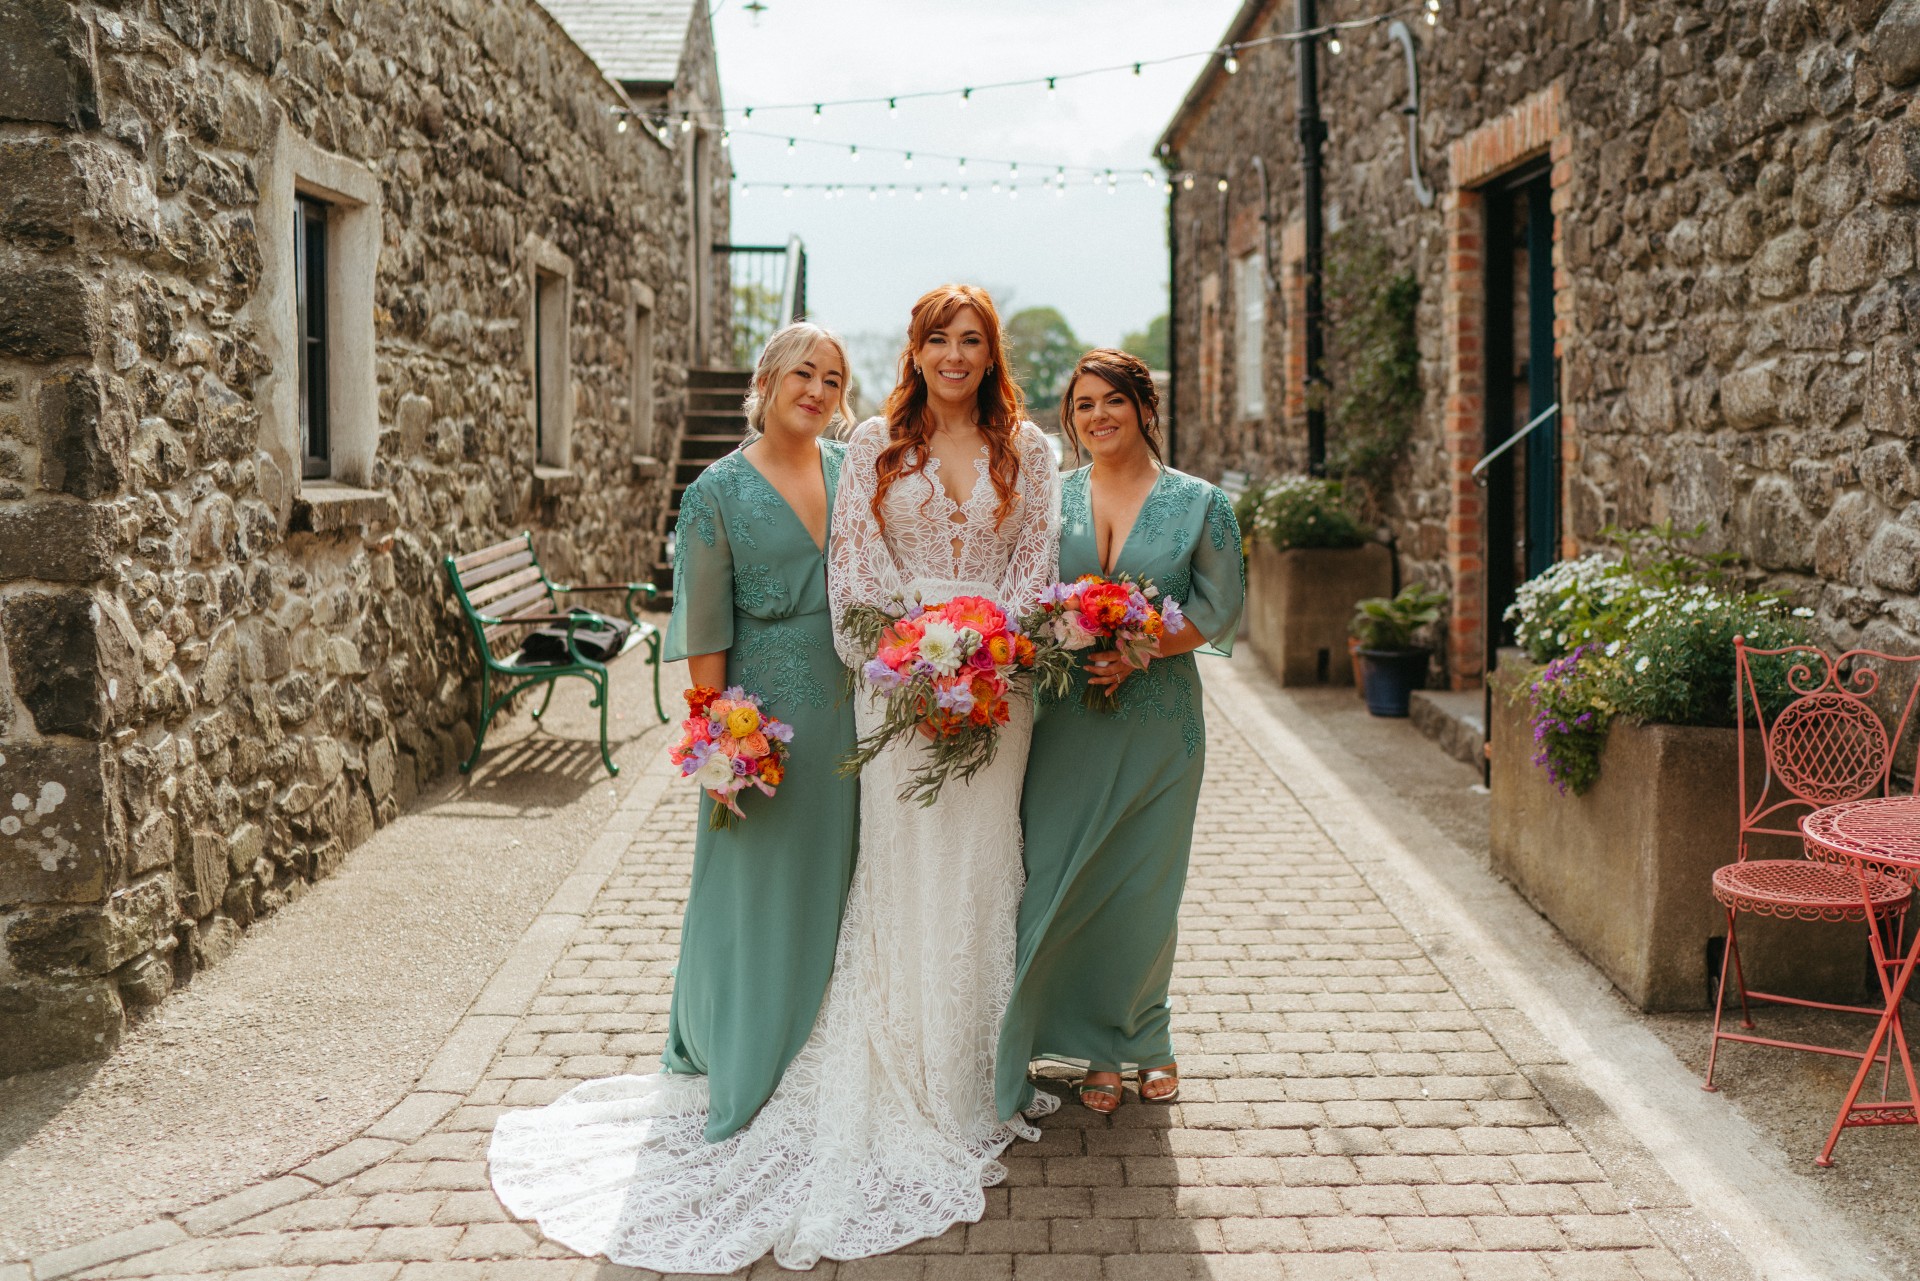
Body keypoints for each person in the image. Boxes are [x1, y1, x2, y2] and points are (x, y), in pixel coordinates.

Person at [489, 289, 1060, 1273]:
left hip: (866, 707)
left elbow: (932, 565)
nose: (819, 389)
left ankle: (945, 1050)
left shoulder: (851, 461)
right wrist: (717, 733)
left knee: (856, 880)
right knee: (757, 883)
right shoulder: (724, 488)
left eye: (832, 377)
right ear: (767, 382)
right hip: (789, 703)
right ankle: (742, 1053)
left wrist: (977, 654)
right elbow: (711, 622)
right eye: (804, 373)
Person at [996, 347, 1246, 1119]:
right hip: (1064, 720)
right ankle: (1077, 1044)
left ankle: (1136, 1040)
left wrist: (1143, 648)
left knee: (1142, 888)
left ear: (1144, 407)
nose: (1097, 416)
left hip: (1157, 721)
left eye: (1112, 400)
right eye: (1083, 405)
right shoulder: (1051, 498)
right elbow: (1024, 592)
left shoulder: (1202, 503)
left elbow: (1219, 608)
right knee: (1060, 880)